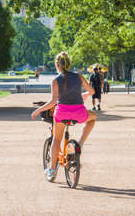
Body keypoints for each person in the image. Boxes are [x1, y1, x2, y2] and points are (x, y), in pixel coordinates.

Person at [31, 52, 97, 180]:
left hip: (61, 113)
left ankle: (52, 170)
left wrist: (38, 110)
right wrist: (85, 95)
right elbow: (92, 91)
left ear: (57, 65)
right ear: (69, 64)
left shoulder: (55, 81)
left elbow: (53, 102)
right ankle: (80, 144)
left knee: (56, 139)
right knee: (93, 118)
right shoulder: (79, 77)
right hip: (79, 112)